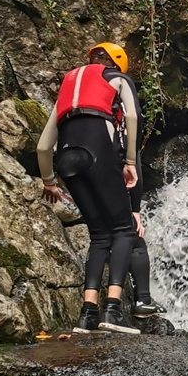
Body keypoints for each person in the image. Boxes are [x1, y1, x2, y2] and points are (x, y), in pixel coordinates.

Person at [36, 43, 140, 335]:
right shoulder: (117, 78)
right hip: (99, 150)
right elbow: (131, 117)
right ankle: (112, 311)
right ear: (117, 63)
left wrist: (49, 181)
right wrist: (130, 161)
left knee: (99, 235)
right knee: (123, 230)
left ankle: (87, 315)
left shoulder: (68, 89)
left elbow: (43, 146)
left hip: (67, 159)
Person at [110, 70, 167, 320]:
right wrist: (136, 211)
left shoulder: (83, 106)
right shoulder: (121, 122)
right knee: (134, 237)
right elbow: (134, 170)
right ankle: (142, 300)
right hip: (114, 178)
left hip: (79, 174)